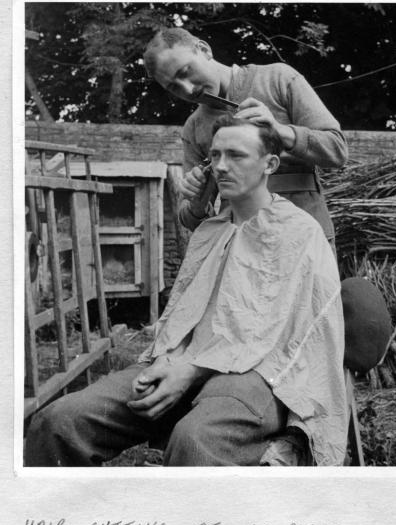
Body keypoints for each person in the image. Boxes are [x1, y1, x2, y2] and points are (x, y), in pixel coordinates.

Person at [25, 117, 348, 467]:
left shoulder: (299, 232)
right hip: (179, 361)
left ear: (269, 164)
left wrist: (192, 370)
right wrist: (168, 359)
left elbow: (290, 336)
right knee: (58, 420)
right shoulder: (209, 231)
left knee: (195, 440)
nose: (221, 166)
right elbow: (182, 312)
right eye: (216, 156)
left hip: (256, 377)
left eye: (236, 156)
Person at [143, 27, 348, 246]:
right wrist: (196, 201)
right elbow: (191, 219)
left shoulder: (278, 78)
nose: (188, 89)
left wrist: (280, 131)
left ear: (204, 49)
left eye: (185, 72)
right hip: (241, 248)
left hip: (304, 239)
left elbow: (337, 151)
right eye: (174, 87)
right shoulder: (193, 127)